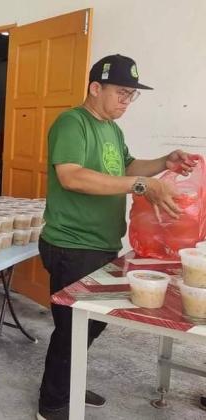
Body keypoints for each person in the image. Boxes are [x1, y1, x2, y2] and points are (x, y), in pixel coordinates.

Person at [36, 54, 197, 420]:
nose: (127, 101)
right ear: (96, 88)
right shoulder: (72, 123)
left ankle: (68, 383)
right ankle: (52, 403)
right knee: (71, 329)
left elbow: (127, 167)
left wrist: (164, 163)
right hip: (72, 243)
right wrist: (142, 185)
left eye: (131, 95)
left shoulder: (112, 129)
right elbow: (71, 176)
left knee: (93, 322)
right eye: (121, 93)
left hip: (103, 242)